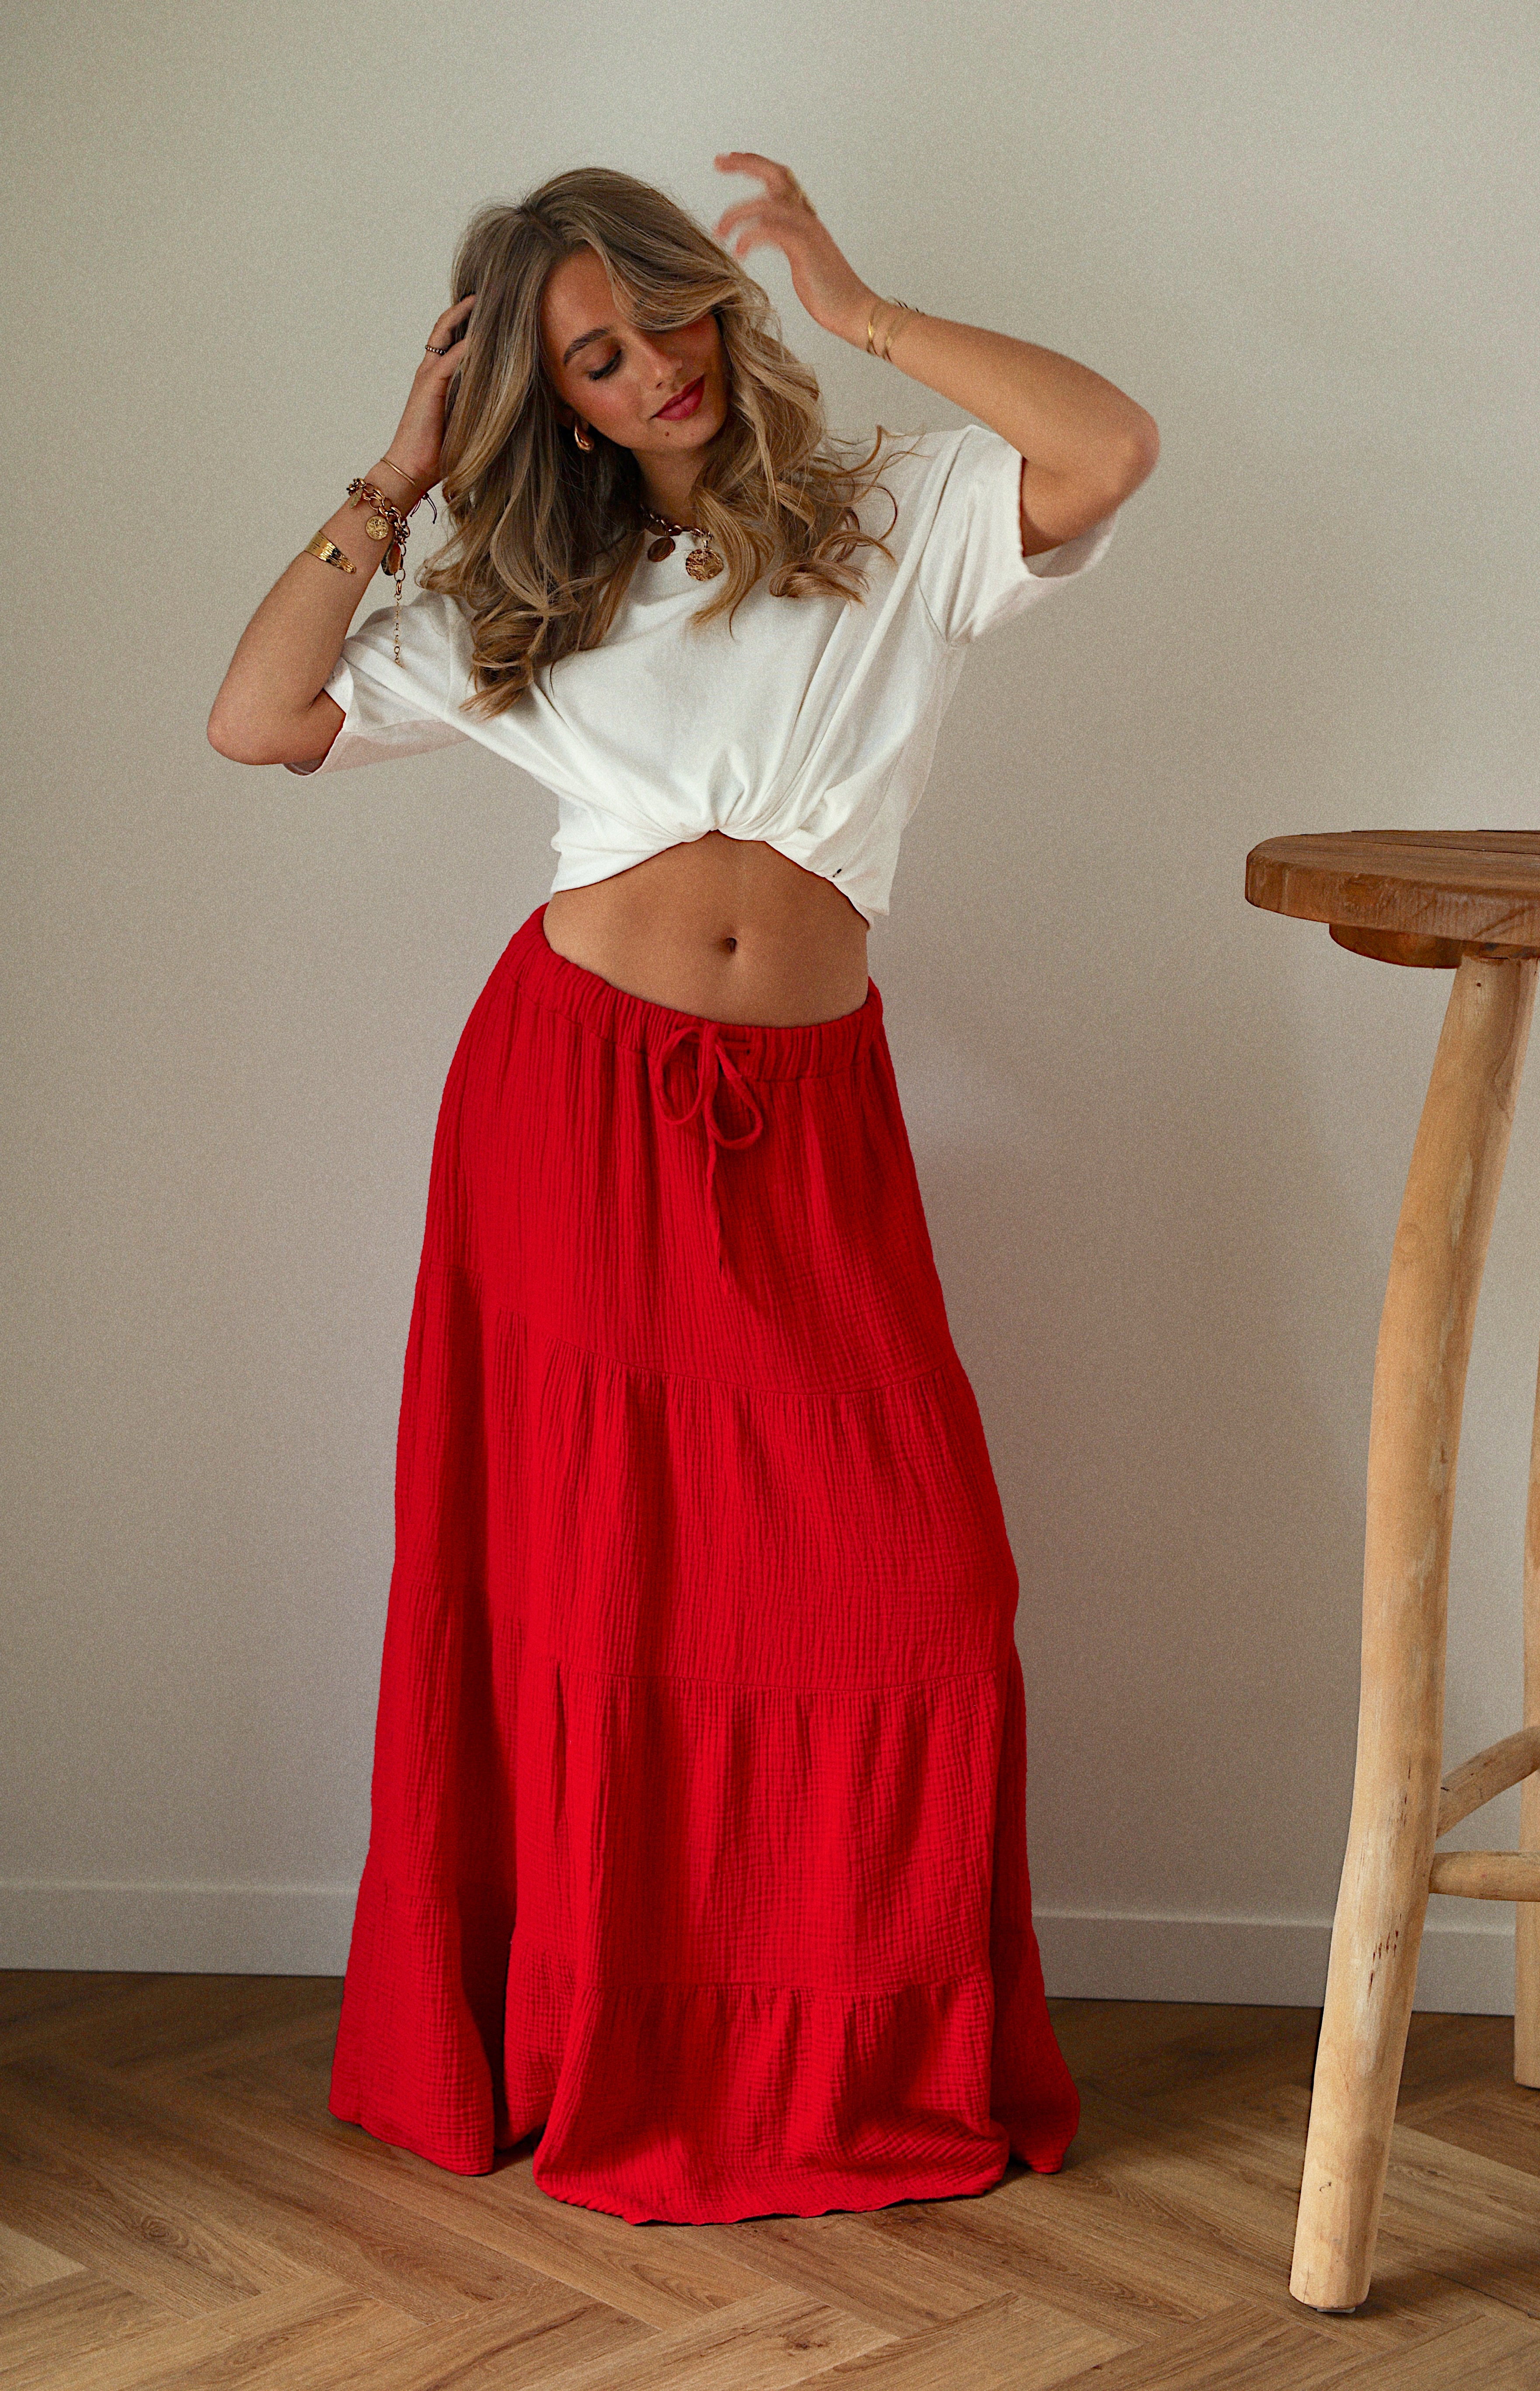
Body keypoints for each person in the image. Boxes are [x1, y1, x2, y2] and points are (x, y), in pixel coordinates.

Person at [208, 152, 1159, 2227]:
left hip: (808, 1118)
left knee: (920, 1606)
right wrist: (393, 478)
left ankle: (843, 2062)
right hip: (571, 1111)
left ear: (716, 304)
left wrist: (863, 305)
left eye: (664, 314)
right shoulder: (531, 600)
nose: (654, 367)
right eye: (594, 357)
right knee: (597, 1599)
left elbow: (1107, 448)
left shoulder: (892, 517)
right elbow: (258, 716)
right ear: (545, 401)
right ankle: (604, 2042)